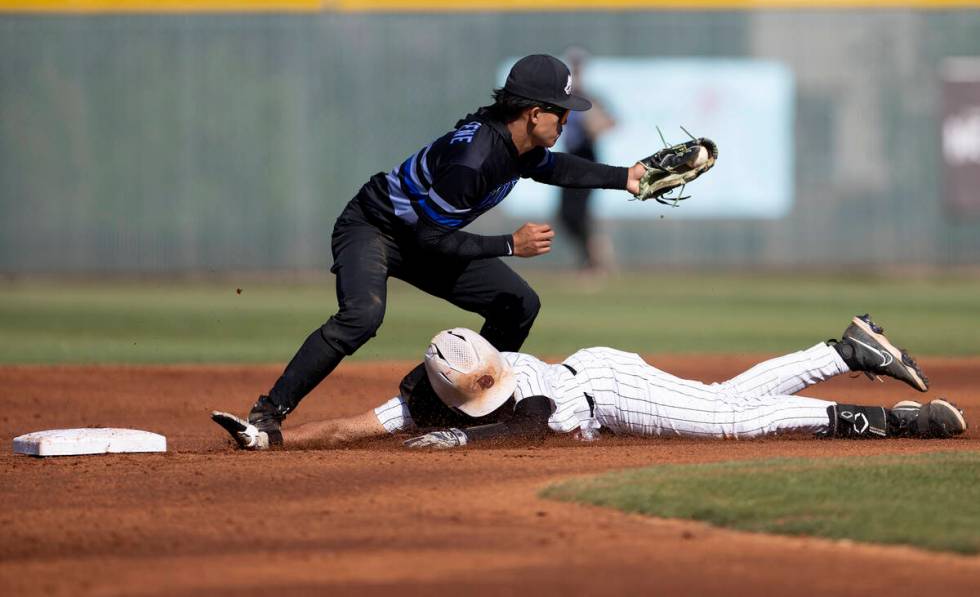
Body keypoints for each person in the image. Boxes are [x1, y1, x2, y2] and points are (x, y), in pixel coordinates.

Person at [243, 54, 653, 445]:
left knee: (517, 303)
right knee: (362, 316)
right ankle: (269, 410)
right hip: (374, 228)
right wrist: (510, 244)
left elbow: (556, 167)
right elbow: (429, 239)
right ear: (533, 113)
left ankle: (441, 403)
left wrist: (627, 178)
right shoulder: (474, 160)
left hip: (427, 235)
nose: (567, 119)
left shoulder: (515, 143)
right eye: (561, 111)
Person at [212, 314, 966, 450]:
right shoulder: (426, 391)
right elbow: (356, 426)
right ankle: (846, 349)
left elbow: (519, 429)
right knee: (731, 401)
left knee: (735, 421)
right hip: (604, 374)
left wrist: (439, 445)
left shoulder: (524, 395)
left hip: (604, 388)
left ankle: (892, 421)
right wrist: (274, 437)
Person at [556, 47, 617, 273]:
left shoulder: (589, 99)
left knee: (578, 213)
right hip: (568, 158)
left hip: (586, 157)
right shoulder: (564, 97)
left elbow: (609, 123)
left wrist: (593, 124)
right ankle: (594, 254)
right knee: (566, 215)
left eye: (578, 67)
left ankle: (594, 262)